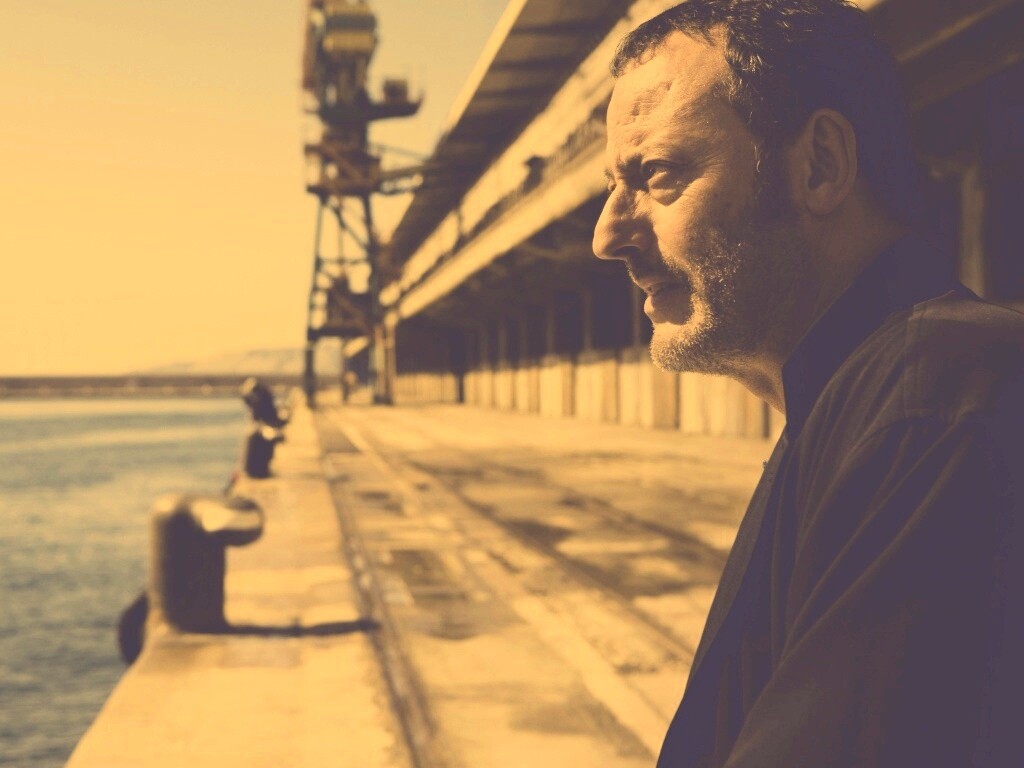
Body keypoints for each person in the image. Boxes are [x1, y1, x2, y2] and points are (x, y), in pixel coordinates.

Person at [592, 1, 1024, 766]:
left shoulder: (934, 409)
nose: (608, 235)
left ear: (819, 165)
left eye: (656, 176)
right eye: (612, 186)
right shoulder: (854, 402)